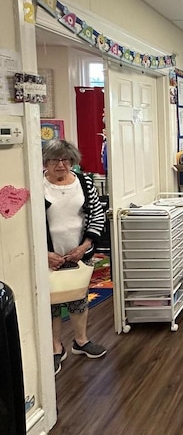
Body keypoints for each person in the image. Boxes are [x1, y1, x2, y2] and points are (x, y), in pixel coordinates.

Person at [43, 138, 107, 375]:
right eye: (54, 159)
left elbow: (98, 215)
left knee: (79, 298)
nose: (61, 165)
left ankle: (81, 341)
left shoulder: (84, 182)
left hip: (79, 253)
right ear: (46, 162)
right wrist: (44, 253)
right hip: (49, 256)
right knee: (52, 302)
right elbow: (28, 223)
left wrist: (85, 245)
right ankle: (55, 347)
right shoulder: (37, 184)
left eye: (66, 159)